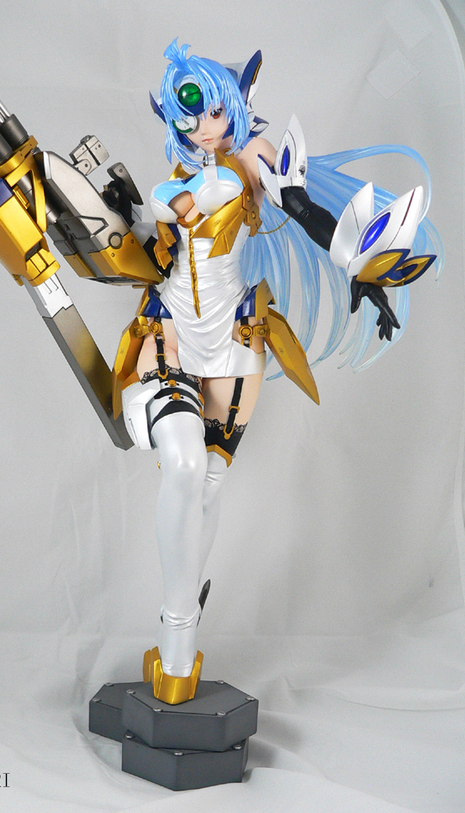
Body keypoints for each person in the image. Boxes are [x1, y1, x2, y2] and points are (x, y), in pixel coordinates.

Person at [114, 39, 442, 704]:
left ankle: (176, 654)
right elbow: (153, 249)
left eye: (215, 112)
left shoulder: (253, 158)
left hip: (234, 340)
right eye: (190, 116)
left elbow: (301, 207)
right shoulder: (179, 170)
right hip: (169, 332)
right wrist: (122, 217)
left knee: (207, 487)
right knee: (183, 468)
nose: (205, 127)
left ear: (235, 106)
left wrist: (361, 267)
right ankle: (178, 625)